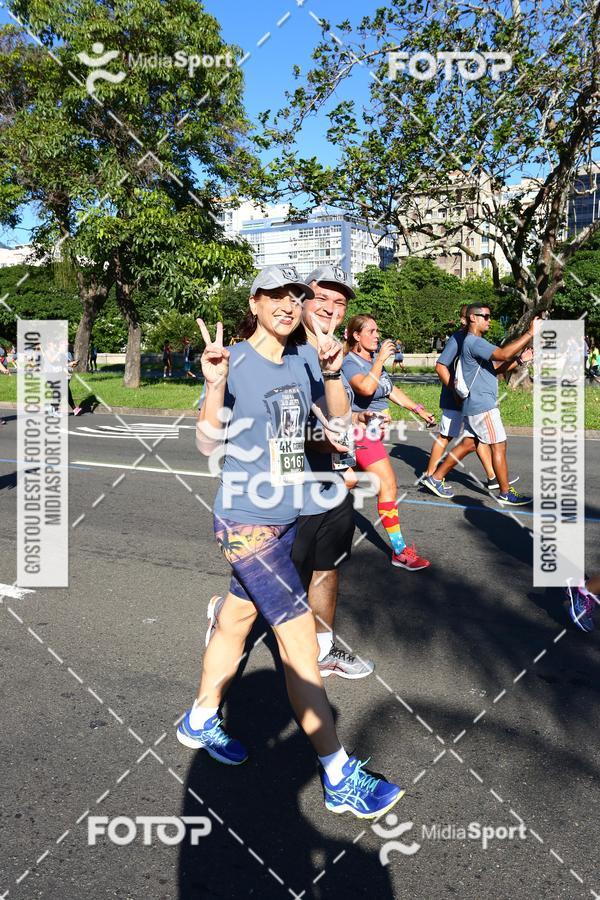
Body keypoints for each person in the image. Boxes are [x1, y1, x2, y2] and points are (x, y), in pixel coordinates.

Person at [178, 265, 403, 819]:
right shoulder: (233, 360)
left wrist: (330, 375)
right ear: (254, 302)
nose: (287, 303)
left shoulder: (309, 358)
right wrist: (212, 385)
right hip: (246, 521)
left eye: (294, 295)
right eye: (275, 294)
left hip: (289, 517)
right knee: (299, 647)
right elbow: (207, 441)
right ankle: (338, 774)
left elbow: (340, 425)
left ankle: (200, 720)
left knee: (234, 622)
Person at [341, 315, 436, 571]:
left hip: (374, 434)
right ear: (356, 336)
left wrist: (417, 408)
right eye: (370, 331)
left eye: (377, 331)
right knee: (388, 486)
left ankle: (315, 509)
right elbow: (365, 388)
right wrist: (381, 360)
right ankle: (399, 551)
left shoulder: (372, 362)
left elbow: (389, 390)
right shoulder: (350, 363)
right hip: (360, 433)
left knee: (345, 481)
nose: (376, 335)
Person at [422, 304, 537, 505]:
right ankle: (505, 492)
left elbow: (497, 368)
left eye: (489, 316)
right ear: (472, 318)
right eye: (484, 316)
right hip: (482, 406)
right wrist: (529, 333)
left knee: (470, 444)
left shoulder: (477, 343)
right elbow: (502, 354)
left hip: (474, 406)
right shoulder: (473, 342)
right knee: (499, 445)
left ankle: (435, 478)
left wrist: (520, 360)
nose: (488, 320)